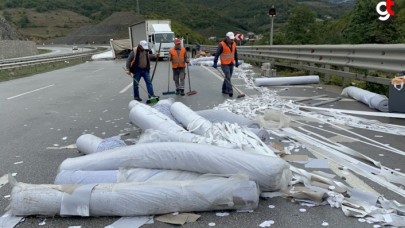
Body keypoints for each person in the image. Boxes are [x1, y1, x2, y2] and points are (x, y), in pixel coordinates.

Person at [212, 31, 239, 97]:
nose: (232, 40)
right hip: (224, 63)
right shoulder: (221, 44)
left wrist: (236, 61)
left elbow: (235, 53)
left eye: (233, 39)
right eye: (231, 39)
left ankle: (224, 89)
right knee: (228, 75)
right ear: (227, 38)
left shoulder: (234, 43)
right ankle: (230, 91)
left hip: (231, 62)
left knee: (228, 77)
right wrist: (215, 62)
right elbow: (217, 54)